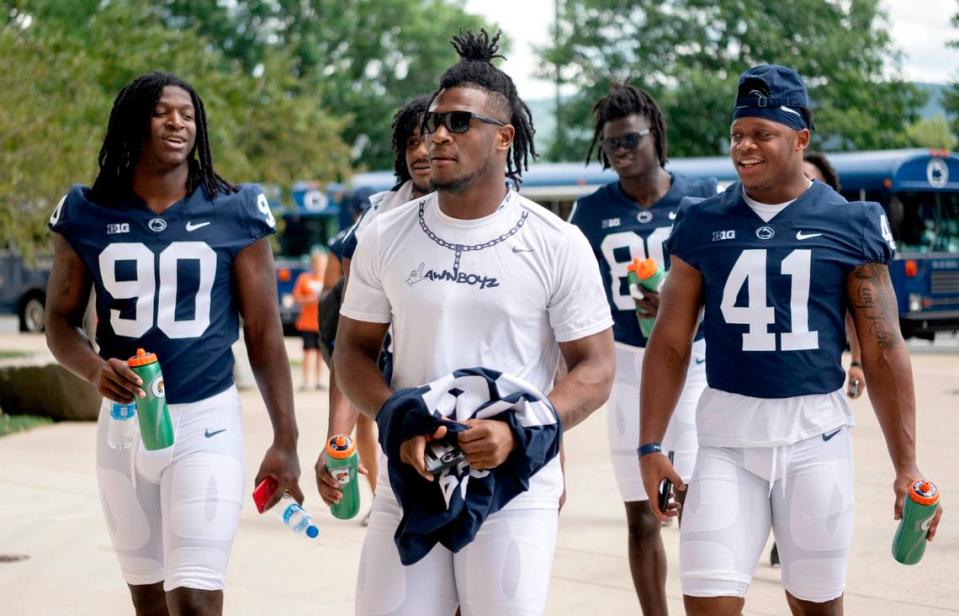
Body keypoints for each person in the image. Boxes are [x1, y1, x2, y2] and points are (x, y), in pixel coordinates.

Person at [638, 64, 942, 615]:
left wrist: (908, 465)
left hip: (814, 440)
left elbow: (882, 346)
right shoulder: (702, 221)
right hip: (725, 441)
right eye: (737, 134)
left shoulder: (850, 222)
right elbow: (670, 342)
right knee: (706, 605)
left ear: (800, 138)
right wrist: (651, 445)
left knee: (817, 608)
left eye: (762, 134)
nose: (744, 147)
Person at [332, 30, 614, 615]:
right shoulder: (384, 234)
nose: (438, 134)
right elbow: (352, 353)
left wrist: (523, 430)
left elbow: (596, 367)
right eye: (434, 121)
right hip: (408, 478)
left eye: (459, 123)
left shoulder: (556, 242)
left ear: (503, 139)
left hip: (513, 487)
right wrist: (395, 420)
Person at [44, 72, 303, 616]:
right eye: (163, 111)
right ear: (133, 122)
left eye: (187, 113)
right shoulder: (86, 211)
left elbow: (263, 335)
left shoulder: (237, 210)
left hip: (205, 421)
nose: (178, 122)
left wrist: (286, 438)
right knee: (150, 604)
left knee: (195, 601)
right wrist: (93, 370)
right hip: (122, 428)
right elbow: (59, 323)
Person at [568, 81, 715, 614]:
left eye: (630, 139)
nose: (622, 151)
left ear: (655, 135)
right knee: (641, 511)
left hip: (694, 362)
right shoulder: (589, 212)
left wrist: (686, 307)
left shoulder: (701, 195)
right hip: (627, 363)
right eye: (611, 144)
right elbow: (572, 295)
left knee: (697, 500)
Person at [315, 96, 433, 524]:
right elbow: (353, 345)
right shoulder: (378, 220)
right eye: (411, 142)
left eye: (429, 139)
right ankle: (374, 492)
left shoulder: (499, 218)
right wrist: (334, 441)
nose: (421, 151)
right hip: (390, 388)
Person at [767, 151, 866, 568]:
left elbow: (855, 316)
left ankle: (786, 535)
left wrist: (857, 363)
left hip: (814, 397)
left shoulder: (836, 239)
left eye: (814, 179)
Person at [292, 250, 328, 390]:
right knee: (308, 352)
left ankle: (319, 381)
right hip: (307, 323)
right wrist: (311, 299)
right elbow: (296, 298)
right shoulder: (304, 279)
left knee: (321, 353)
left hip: (323, 323)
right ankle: (306, 381)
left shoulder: (327, 280)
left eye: (322, 264)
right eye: (317, 263)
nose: (319, 266)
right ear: (313, 264)